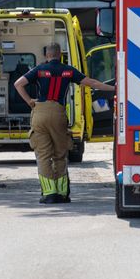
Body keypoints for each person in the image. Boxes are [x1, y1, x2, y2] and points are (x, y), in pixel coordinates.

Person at [14, 42, 115, 204]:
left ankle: (49, 194)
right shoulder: (68, 71)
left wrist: (30, 102)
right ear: (60, 54)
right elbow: (93, 83)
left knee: (43, 156)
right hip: (59, 113)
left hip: (40, 113)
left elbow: (18, 84)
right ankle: (62, 194)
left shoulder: (39, 70)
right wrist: (115, 89)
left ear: (47, 55)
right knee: (60, 154)